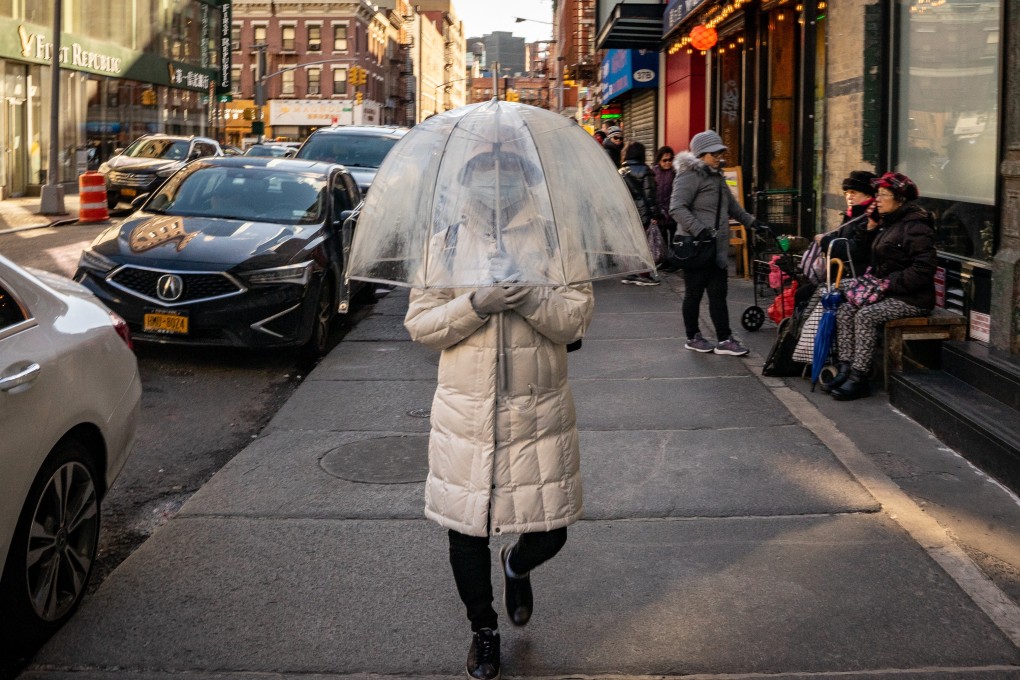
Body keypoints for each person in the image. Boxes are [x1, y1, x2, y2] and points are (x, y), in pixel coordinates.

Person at [404, 146, 595, 680]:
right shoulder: (443, 242)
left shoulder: (556, 240)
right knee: (465, 530)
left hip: (538, 412)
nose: (493, 188)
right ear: (465, 187)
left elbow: (575, 322)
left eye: (504, 177)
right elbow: (421, 326)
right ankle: (482, 631)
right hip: (465, 414)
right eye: (482, 179)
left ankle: (518, 564)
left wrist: (530, 298)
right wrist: (475, 305)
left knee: (552, 528)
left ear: (524, 183)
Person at [828, 171, 936, 400]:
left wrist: (887, 284)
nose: (878, 199)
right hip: (888, 292)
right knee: (846, 309)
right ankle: (846, 367)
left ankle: (860, 377)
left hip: (911, 299)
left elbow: (924, 270)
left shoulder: (916, 226)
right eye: (877, 194)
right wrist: (870, 225)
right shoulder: (888, 222)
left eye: (884, 194)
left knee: (865, 315)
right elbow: (867, 253)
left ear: (900, 198)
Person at [669, 130, 768, 356]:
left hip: (715, 248)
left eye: (720, 152)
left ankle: (724, 339)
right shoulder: (689, 175)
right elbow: (676, 207)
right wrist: (699, 230)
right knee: (693, 293)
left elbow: (732, 207)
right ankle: (693, 336)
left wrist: (754, 223)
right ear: (701, 154)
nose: (718, 156)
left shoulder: (717, 176)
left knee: (718, 294)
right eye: (713, 153)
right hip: (696, 246)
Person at [815, 170, 879, 279]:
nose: (849, 197)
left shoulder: (871, 217)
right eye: (847, 193)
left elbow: (857, 249)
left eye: (853, 192)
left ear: (868, 196)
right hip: (842, 275)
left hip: (854, 277)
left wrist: (826, 242)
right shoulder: (852, 214)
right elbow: (842, 235)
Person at [619, 141, 661, 286]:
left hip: (626, 212)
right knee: (644, 244)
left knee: (631, 243)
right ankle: (644, 274)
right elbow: (650, 196)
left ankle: (629, 274)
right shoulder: (645, 171)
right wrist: (655, 215)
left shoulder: (621, 171)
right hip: (642, 213)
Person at [651, 146, 678, 272]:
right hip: (660, 212)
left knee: (674, 239)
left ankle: (674, 262)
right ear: (659, 160)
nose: (668, 162)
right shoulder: (654, 172)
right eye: (664, 160)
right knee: (662, 239)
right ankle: (665, 261)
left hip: (673, 211)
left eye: (670, 160)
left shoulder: (676, 172)